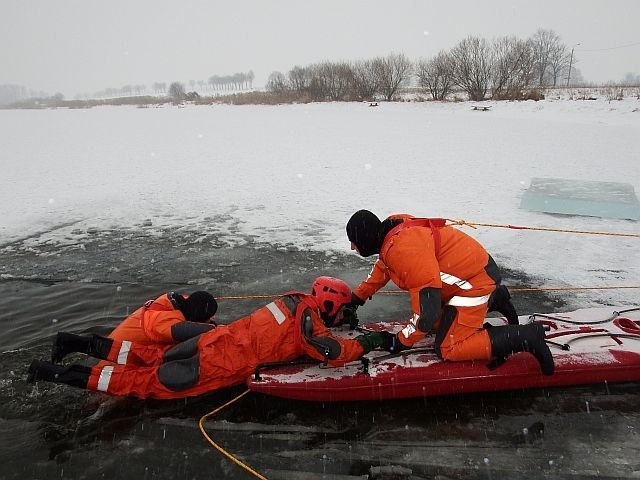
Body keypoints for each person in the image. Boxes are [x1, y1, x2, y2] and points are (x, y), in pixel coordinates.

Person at [27, 277, 388, 399]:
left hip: (211, 344)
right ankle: (50, 372)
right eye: (340, 310)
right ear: (327, 303)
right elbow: (333, 352)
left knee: (147, 359)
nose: (341, 317)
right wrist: (372, 343)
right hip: (218, 364)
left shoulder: (291, 301)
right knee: (137, 384)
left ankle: (73, 344)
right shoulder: (309, 326)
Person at [345, 210, 554, 375]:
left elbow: (426, 313)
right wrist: (358, 297)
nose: (353, 248)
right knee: (435, 325)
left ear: (365, 239)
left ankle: (526, 337)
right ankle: (495, 298)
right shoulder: (392, 235)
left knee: (449, 348)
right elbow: (384, 267)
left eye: (354, 242)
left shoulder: (403, 251)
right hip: (472, 272)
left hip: (475, 283)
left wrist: (399, 341)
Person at [107, 291, 218, 345]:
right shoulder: (166, 324)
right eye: (208, 318)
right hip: (110, 366)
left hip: (110, 349)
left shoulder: (171, 303)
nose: (210, 320)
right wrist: (214, 328)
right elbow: (183, 330)